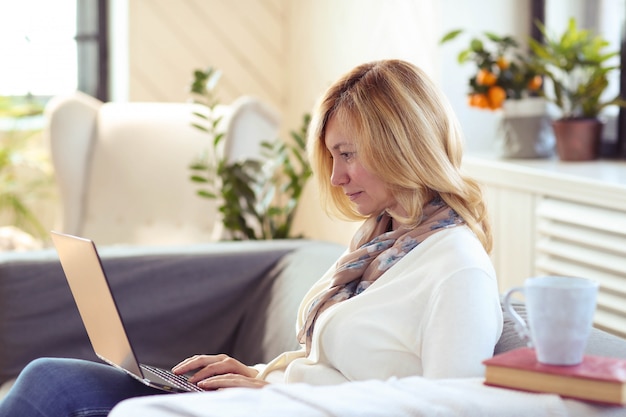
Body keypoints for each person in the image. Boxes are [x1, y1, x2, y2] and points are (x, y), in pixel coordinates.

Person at [0, 59, 503, 417]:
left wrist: (270, 395)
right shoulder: (379, 242)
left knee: (54, 389)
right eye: (332, 157)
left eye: (348, 154)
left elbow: (450, 408)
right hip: (270, 401)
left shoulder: (456, 270)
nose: (335, 178)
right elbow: (324, 366)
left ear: (401, 145)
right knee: (48, 374)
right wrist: (258, 376)